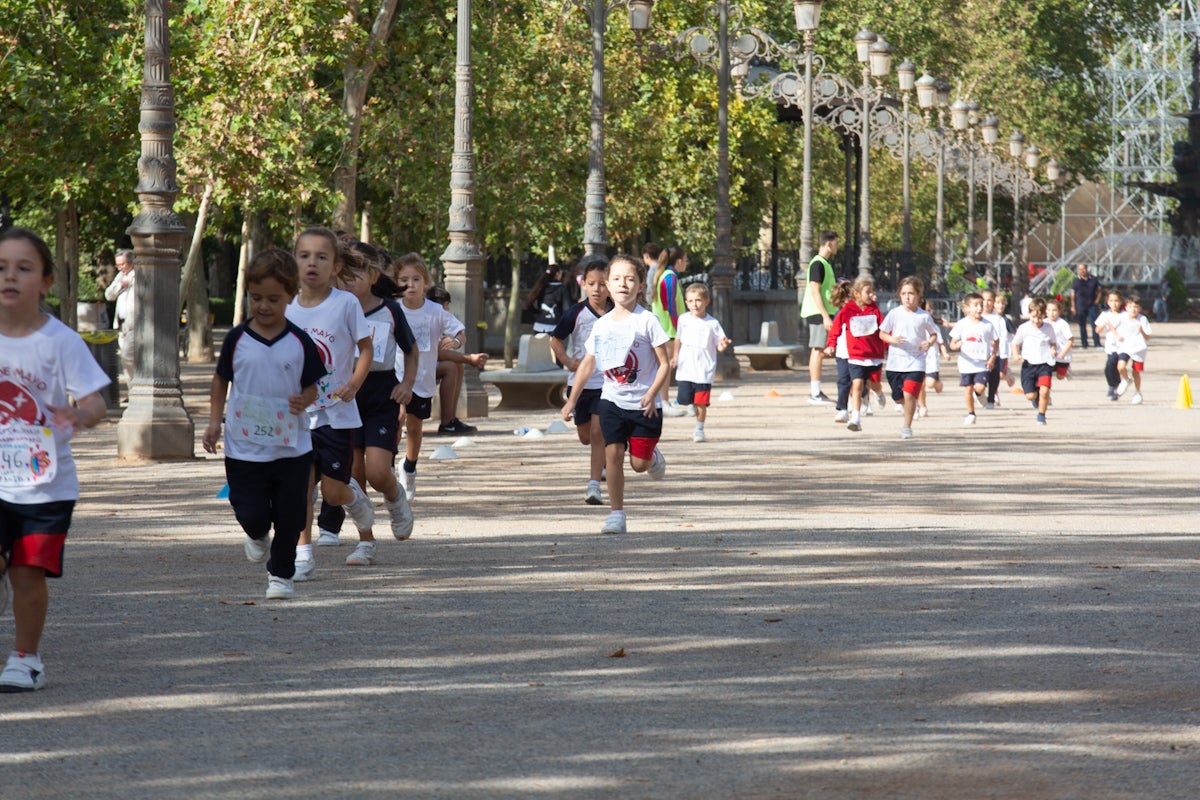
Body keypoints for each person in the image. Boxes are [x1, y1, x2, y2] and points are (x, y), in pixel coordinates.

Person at [0, 228, 110, 691]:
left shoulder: (60, 341)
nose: (10, 276)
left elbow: (97, 403)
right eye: (1, 267)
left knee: (26, 574)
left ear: (45, 281)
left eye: (23, 268)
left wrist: (78, 414)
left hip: (45, 484)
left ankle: (26, 658)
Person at [203, 248, 325, 599]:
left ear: (291, 295)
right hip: (244, 448)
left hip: (292, 448)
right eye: (257, 298)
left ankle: (281, 576)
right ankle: (256, 533)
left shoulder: (300, 342)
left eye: (274, 299)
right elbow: (220, 380)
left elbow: (314, 385)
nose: (264, 306)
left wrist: (306, 399)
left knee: (290, 515)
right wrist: (214, 422)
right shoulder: (237, 339)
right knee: (253, 513)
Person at [284, 227, 376, 582]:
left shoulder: (346, 304)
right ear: (294, 262)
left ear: (336, 266)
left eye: (322, 257)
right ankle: (303, 554)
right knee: (300, 487)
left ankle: (358, 511)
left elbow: (366, 349)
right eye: (304, 256)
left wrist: (354, 382)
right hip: (297, 414)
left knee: (334, 491)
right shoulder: (285, 304)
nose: (312, 263)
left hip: (336, 413)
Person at [561, 254, 671, 535]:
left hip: (645, 405)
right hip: (611, 400)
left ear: (641, 286)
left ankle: (652, 456)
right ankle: (616, 514)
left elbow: (665, 363)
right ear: (609, 285)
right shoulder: (602, 325)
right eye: (618, 279)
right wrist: (572, 400)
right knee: (613, 454)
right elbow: (588, 363)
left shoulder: (648, 321)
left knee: (638, 465)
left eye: (630, 279)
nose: (624, 284)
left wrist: (652, 393)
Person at [323, 244, 418, 566]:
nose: (348, 282)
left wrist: (406, 386)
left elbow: (411, 350)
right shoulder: (332, 308)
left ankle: (395, 497)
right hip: (342, 397)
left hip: (380, 393)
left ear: (374, 277)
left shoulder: (390, 310)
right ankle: (365, 543)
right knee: (355, 477)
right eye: (344, 275)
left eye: (356, 275)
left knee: (379, 473)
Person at [393, 253, 466, 501]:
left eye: (416, 279)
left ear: (425, 282)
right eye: (404, 279)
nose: (410, 285)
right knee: (397, 416)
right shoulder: (391, 309)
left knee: (415, 425)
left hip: (422, 379)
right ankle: (387, 462)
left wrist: (455, 341)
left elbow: (459, 331)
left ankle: (410, 466)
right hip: (394, 376)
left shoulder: (435, 311)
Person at [550, 255, 612, 505]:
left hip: (608, 384)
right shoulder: (575, 313)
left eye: (603, 283)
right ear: (583, 284)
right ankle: (607, 453)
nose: (597, 289)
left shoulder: (617, 314)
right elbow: (555, 339)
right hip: (580, 382)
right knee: (586, 436)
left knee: (598, 433)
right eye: (592, 283)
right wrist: (566, 360)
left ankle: (593, 486)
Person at [879, 276, 940, 440]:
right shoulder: (894, 313)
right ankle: (906, 406)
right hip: (895, 363)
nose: (907, 297)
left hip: (916, 362)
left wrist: (929, 342)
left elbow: (934, 334)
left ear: (919, 295)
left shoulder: (924, 316)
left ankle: (907, 426)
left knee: (909, 395)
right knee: (898, 397)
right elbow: (882, 333)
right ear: (899, 294)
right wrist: (892, 339)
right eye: (904, 293)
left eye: (911, 293)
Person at [824, 277, 885, 433]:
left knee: (874, 383)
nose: (872, 294)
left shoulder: (875, 310)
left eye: (872, 291)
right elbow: (836, 328)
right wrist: (831, 345)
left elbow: (884, 330)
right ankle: (855, 418)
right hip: (856, 356)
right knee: (856, 385)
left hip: (874, 355)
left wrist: (888, 345)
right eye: (868, 292)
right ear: (857, 294)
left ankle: (878, 392)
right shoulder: (848, 310)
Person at [673, 283, 732, 442]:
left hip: (704, 370)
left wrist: (723, 345)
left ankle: (699, 429)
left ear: (707, 301)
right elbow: (678, 339)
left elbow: (719, 344)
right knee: (684, 399)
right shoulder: (683, 319)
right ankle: (689, 403)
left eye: (698, 300)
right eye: (691, 301)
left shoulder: (713, 323)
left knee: (702, 402)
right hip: (686, 368)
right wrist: (675, 356)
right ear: (686, 303)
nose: (695, 304)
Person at [427, 285, 487, 436]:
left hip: (426, 364)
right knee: (450, 367)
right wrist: (469, 359)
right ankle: (447, 422)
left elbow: (457, 338)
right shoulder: (427, 316)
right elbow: (439, 353)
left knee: (456, 366)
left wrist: (458, 344)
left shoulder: (438, 319)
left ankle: (450, 420)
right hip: (411, 367)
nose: (447, 310)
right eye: (445, 305)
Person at [800, 231, 839, 404]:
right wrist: (825, 316)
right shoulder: (817, 264)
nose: (837, 246)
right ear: (829, 243)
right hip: (818, 312)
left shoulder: (825, 264)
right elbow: (815, 290)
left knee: (820, 350)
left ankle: (816, 391)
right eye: (836, 242)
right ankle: (814, 393)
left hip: (823, 311)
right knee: (818, 350)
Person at [949, 292, 998, 426]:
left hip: (982, 363)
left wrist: (992, 357)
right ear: (966, 308)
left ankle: (980, 394)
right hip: (966, 363)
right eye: (975, 305)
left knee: (980, 387)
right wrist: (957, 345)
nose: (979, 308)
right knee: (968, 389)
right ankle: (971, 413)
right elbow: (952, 344)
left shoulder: (988, 325)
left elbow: (996, 341)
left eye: (981, 305)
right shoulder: (962, 324)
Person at [650, 246, 688, 416]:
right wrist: (679, 327)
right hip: (668, 329)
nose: (686, 263)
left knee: (663, 366)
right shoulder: (670, 277)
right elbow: (670, 305)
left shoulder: (663, 275)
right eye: (685, 260)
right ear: (679, 261)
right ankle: (663, 402)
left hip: (664, 327)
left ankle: (663, 401)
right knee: (665, 367)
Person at [1011, 297, 1058, 426]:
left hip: (1045, 364)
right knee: (1030, 396)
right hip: (1029, 365)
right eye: (1033, 317)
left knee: (1044, 391)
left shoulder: (1048, 328)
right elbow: (1015, 343)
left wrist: (1053, 350)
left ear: (1044, 315)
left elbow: (1053, 342)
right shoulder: (1024, 328)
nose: (1036, 321)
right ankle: (1035, 397)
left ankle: (1042, 416)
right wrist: (1016, 354)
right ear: (1029, 315)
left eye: (1039, 318)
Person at [104, 248, 137, 387]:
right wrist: (120, 286)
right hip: (121, 325)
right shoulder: (120, 276)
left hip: (134, 325)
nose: (120, 268)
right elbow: (108, 295)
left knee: (127, 357)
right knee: (126, 360)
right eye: (117, 265)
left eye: (122, 264)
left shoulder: (139, 275)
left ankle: (135, 389)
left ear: (130, 262)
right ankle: (132, 390)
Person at [1112, 294, 1152, 404]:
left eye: (1136, 307)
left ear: (1140, 309)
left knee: (1136, 372)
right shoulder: (1122, 317)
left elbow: (1148, 337)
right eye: (1130, 306)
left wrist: (1142, 331)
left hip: (1139, 348)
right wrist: (1117, 335)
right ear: (1126, 307)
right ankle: (1126, 379)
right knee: (1120, 367)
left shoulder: (1143, 319)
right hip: (1125, 346)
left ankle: (1138, 393)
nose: (1133, 309)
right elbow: (1111, 324)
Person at [917, 299, 950, 419]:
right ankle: (922, 406)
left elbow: (940, 342)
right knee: (921, 384)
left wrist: (945, 354)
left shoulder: (934, 326)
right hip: (919, 357)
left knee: (929, 384)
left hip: (932, 358)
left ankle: (937, 384)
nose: (927, 312)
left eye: (929, 310)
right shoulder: (916, 324)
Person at [827, 280, 854, 424]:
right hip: (843, 352)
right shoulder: (841, 314)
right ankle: (842, 409)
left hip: (859, 353)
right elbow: (834, 331)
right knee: (843, 380)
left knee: (858, 382)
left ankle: (862, 400)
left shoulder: (862, 312)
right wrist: (831, 345)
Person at [1094, 290, 1125, 401]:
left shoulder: (1124, 315)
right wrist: (1104, 324)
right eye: (1111, 301)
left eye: (1116, 301)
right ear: (1107, 302)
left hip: (1122, 347)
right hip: (1110, 347)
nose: (1114, 303)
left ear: (1121, 301)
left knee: (1114, 365)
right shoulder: (1105, 315)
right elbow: (1097, 330)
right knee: (1109, 368)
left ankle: (1114, 387)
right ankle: (1114, 385)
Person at [525, 264, 570, 335]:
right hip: (555, 327)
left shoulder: (540, 287)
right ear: (557, 273)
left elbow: (529, 303)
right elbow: (567, 309)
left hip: (539, 326)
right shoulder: (562, 288)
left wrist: (537, 312)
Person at [1068, 263, 1102, 349]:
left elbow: (1099, 290)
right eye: (1080, 269)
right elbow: (1072, 294)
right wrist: (1073, 306)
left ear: (1087, 269)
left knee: (1094, 324)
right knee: (1082, 325)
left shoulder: (1093, 279)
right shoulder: (1076, 281)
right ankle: (1084, 344)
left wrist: (1097, 300)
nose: (1082, 271)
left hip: (1092, 305)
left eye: (1083, 269)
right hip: (1081, 306)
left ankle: (1097, 344)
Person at [1046, 299, 1074, 380]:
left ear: (1059, 311)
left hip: (1062, 356)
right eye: (1049, 310)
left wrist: (1063, 353)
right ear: (1046, 311)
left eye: (1054, 310)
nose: (1052, 313)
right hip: (1048, 356)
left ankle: (1066, 371)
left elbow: (1070, 340)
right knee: (1046, 374)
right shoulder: (1043, 323)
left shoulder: (1062, 324)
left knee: (1060, 376)